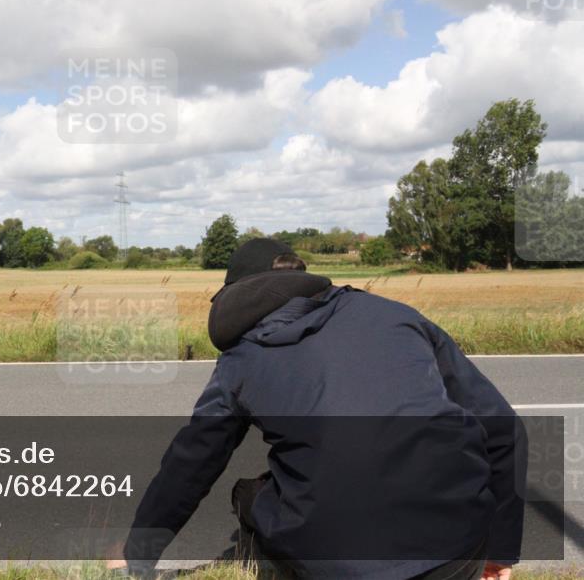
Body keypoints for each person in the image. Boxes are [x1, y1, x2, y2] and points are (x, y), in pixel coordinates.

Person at [117, 238, 525, 579]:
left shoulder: (242, 358)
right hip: (456, 551)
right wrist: (500, 551)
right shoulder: (398, 317)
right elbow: (505, 428)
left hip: (338, 566)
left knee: (250, 493)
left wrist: (136, 552)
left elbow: (191, 464)